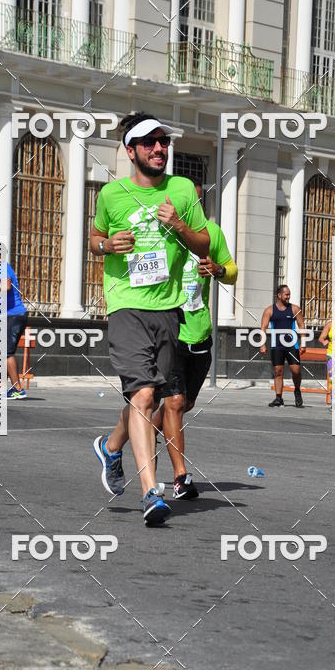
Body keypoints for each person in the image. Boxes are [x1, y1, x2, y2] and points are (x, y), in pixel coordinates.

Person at [91, 112, 209, 526]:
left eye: (163, 142)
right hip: (125, 304)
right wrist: (108, 245)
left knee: (151, 398)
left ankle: (110, 447)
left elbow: (203, 244)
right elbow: (94, 239)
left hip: (168, 308)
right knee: (142, 395)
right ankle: (150, 493)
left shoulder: (182, 190)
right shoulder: (111, 195)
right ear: (131, 151)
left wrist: (178, 225)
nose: (159, 148)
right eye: (149, 142)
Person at [152, 188, 237, 499]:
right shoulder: (158, 232)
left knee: (183, 405)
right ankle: (181, 477)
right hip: (169, 331)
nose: (189, 206)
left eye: (195, 202)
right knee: (174, 403)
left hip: (200, 334)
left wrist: (217, 270)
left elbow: (232, 272)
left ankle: (147, 428)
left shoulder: (210, 233)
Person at [260, 284, 306, 408]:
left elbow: (302, 325)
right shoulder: (269, 310)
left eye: (289, 294)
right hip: (277, 345)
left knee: (296, 371)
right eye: (286, 294)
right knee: (278, 371)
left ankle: (297, 390)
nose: (288, 296)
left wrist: (303, 343)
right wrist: (262, 344)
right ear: (279, 295)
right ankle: (278, 398)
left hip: (292, 345)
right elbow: (263, 328)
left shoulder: (295, 309)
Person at [6, 262, 28, 400]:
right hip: (12, 316)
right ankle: (2, 388)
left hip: (14, 315)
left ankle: (18, 389)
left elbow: (7, 286)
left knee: (7, 353)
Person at [319, 319, 332, 402]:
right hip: (332, 354)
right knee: (332, 379)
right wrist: (324, 341)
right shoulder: (330, 324)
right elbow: (321, 338)